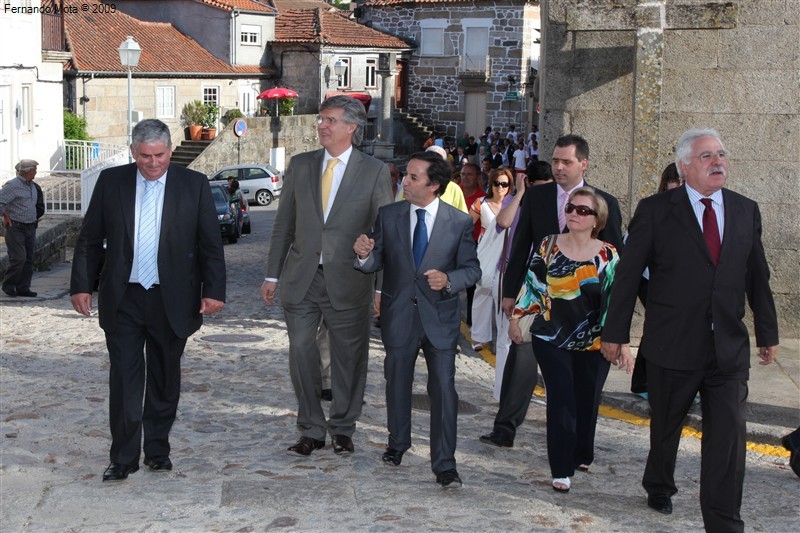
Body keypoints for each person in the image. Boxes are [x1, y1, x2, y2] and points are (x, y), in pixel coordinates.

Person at [601, 128, 779, 531]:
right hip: (672, 345)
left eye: (721, 154)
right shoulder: (656, 210)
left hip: (728, 351)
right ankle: (659, 482)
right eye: (706, 156)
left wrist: (766, 332)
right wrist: (616, 332)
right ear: (684, 166)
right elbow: (628, 276)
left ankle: (723, 522)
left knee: (729, 443)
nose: (718, 161)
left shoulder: (745, 210)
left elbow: (757, 276)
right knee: (666, 427)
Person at [70, 119, 226, 482]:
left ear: (170, 151)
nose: (153, 163)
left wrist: (214, 291)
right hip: (123, 298)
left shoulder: (195, 185)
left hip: (173, 299)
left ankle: (157, 449)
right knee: (124, 379)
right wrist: (81, 285)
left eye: (160, 155)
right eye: (145, 157)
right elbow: (90, 238)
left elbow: (210, 245)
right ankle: (123, 458)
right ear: (133, 153)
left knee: (164, 378)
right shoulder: (112, 183)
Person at [261, 95, 393, 457]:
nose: (321, 125)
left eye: (330, 120)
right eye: (320, 119)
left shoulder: (375, 172)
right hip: (302, 278)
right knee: (301, 351)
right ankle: (311, 428)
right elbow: (283, 225)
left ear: (351, 127)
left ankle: (343, 426)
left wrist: (382, 287)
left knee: (349, 357)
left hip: (350, 279)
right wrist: (272, 275)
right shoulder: (301, 165)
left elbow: (386, 233)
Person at [479, 134, 622, 448]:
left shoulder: (603, 203)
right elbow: (521, 247)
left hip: (583, 308)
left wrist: (615, 314)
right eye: (555, 161)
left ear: (583, 164)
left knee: (583, 379)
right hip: (538, 299)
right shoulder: (538, 198)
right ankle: (505, 428)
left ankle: (579, 442)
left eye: (566, 162)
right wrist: (510, 293)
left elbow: (615, 260)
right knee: (522, 360)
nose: (558, 167)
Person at [353, 151, 481, 488]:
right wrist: (364, 255)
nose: (404, 182)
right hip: (399, 315)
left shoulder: (459, 222)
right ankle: (398, 443)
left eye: (412, 177)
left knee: (443, 389)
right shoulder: (389, 215)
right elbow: (375, 259)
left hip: (440, 319)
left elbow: (472, 269)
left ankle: (445, 465)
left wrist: (450, 280)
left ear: (434, 184)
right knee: (396, 382)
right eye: (405, 176)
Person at [486, 162, 554, 401]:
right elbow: (503, 223)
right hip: (511, 276)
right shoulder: (517, 201)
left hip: (540, 282)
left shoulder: (555, 206)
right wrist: (522, 194)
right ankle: (502, 394)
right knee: (506, 337)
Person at [629, 162, 682, 398]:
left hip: (677, 281)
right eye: (674, 183)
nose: (678, 188)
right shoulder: (654, 208)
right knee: (656, 326)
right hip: (649, 278)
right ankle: (642, 382)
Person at [469, 168, 512, 352]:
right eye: (497, 183)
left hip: (506, 255)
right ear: (491, 184)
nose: (500, 187)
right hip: (485, 254)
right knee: (482, 293)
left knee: (504, 294)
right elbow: (466, 226)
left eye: (504, 184)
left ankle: (503, 337)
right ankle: (478, 336)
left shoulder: (514, 205)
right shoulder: (481, 203)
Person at [1, 159, 42, 297]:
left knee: (29, 259)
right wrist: (5, 216)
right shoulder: (12, 185)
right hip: (16, 227)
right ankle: (9, 284)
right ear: (28, 171)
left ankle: (23, 287)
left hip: (30, 226)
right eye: (34, 170)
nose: (36, 172)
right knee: (19, 258)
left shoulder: (32, 186)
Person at [459, 163, 485, 327]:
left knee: (472, 286)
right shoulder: (455, 191)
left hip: (474, 245)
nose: (466, 177)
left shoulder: (483, 197)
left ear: (477, 177)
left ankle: (471, 318)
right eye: (463, 174)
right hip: (455, 243)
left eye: (469, 174)